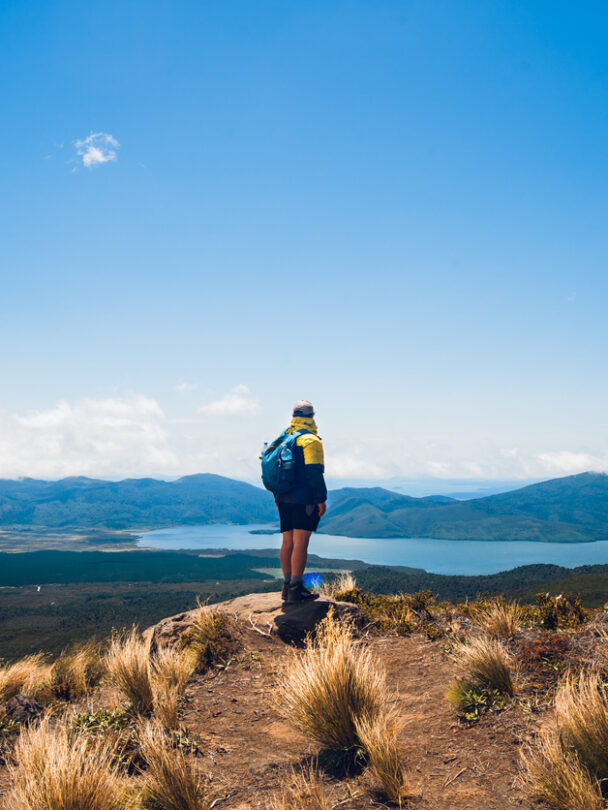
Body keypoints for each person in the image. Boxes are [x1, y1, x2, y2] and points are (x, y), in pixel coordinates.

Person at [274, 400, 327, 603]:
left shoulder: (285, 437)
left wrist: (278, 496)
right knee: (300, 544)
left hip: (283, 498)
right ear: (312, 416)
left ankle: (286, 586)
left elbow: (276, 472)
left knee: (287, 542)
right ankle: (297, 589)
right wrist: (320, 499)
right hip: (304, 500)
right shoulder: (310, 440)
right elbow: (314, 472)